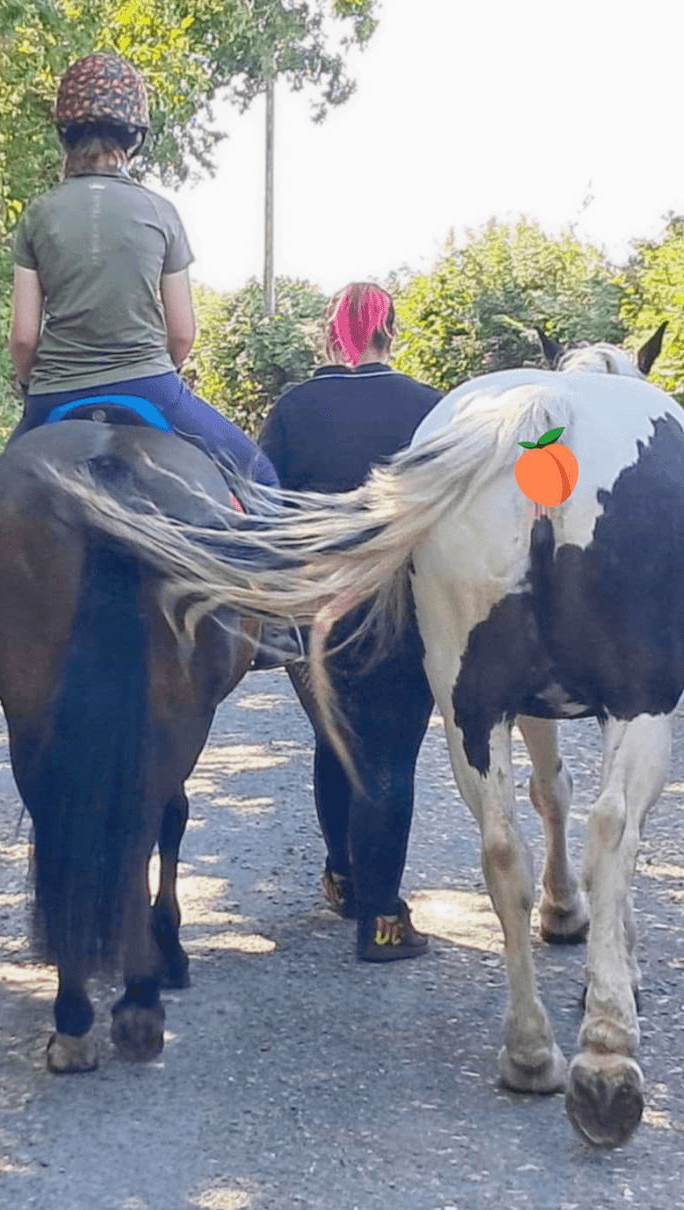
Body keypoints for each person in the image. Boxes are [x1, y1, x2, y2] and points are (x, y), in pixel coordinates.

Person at [260, 283, 442, 962]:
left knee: (335, 740)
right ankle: (382, 920)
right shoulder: (431, 407)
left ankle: (342, 879)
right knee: (389, 757)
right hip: (405, 609)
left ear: (329, 334)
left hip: (316, 615)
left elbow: (266, 511)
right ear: (393, 330)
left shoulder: (294, 408)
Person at [7, 51, 278, 490]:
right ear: (134, 137)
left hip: (54, 393)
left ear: (65, 134)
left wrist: (29, 384)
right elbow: (183, 333)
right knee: (262, 477)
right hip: (148, 387)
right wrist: (159, 371)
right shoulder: (161, 212)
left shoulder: (39, 214)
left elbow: (23, 337)